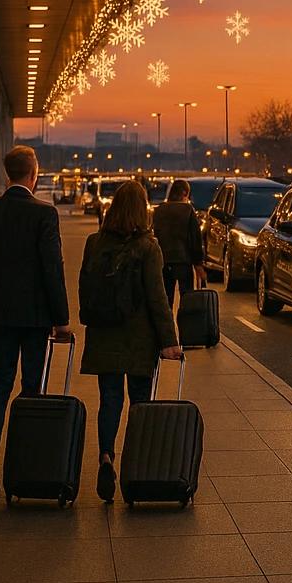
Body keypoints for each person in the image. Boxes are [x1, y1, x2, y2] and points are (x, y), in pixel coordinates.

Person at [0, 145, 71, 497]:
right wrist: (61, 319)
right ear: (34, 174)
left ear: (6, 173)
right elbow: (52, 269)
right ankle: (24, 460)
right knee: (32, 386)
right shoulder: (44, 213)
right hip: (34, 316)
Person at [79, 180, 182, 502]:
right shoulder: (148, 248)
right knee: (139, 403)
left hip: (104, 335)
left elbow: (85, 288)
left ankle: (107, 457)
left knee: (109, 401)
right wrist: (170, 341)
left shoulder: (94, 243)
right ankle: (136, 467)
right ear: (142, 210)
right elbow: (157, 299)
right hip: (139, 339)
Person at [152, 178, 207, 307]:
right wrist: (198, 264)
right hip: (183, 262)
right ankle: (186, 326)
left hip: (163, 261)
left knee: (166, 301)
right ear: (184, 194)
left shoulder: (159, 210)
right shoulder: (188, 211)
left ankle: (167, 326)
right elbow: (195, 239)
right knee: (187, 300)